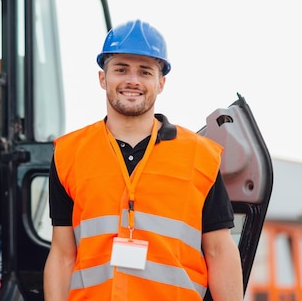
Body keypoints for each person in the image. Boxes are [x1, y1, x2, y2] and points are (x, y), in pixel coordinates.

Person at [43, 20, 243, 300]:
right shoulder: (69, 154)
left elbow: (219, 250)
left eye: (145, 71)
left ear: (160, 83)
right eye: (121, 69)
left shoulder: (200, 155)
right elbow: (63, 254)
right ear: (103, 78)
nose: (132, 80)